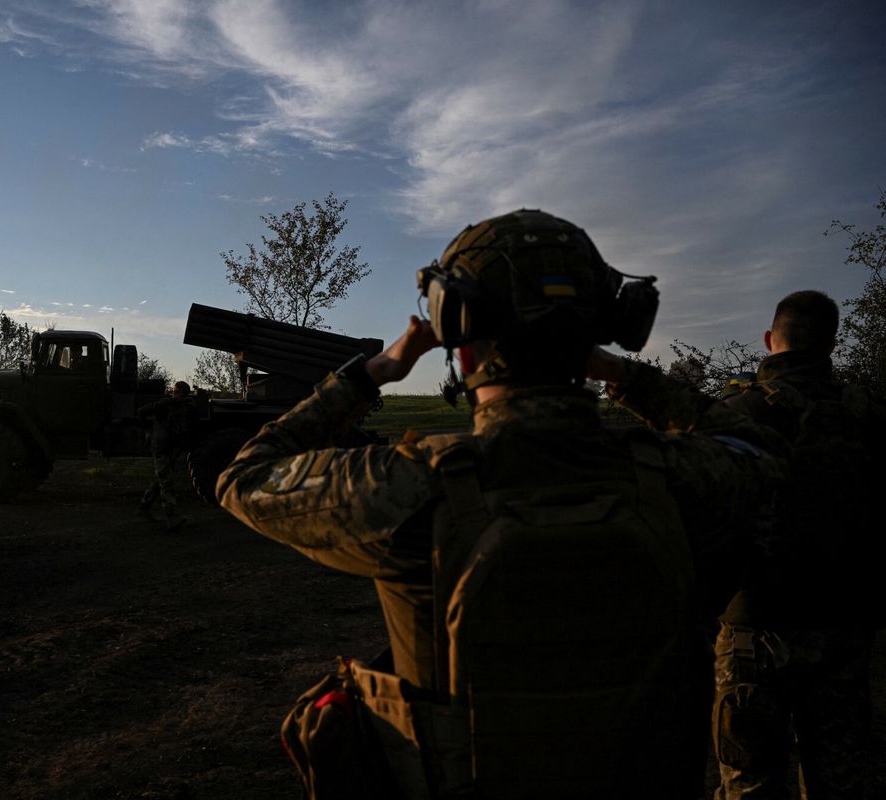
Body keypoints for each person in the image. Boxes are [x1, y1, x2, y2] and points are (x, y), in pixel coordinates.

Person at [217, 209, 784, 799]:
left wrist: (371, 373)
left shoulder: (412, 486)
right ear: (607, 326)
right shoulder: (675, 474)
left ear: (458, 340)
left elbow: (243, 477)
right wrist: (623, 376)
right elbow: (762, 448)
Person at [713, 290, 885, 799]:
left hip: (754, 632)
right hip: (844, 628)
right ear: (830, 345)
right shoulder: (869, 418)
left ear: (771, 340)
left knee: (750, 781)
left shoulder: (736, 414)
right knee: (841, 778)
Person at [136, 380, 195, 531]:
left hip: (170, 449)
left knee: (160, 479)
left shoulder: (184, 406)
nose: (181, 396)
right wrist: (149, 431)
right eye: (180, 393)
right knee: (166, 482)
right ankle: (172, 517)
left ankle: (144, 506)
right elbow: (141, 412)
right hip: (161, 447)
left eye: (183, 394)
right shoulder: (164, 404)